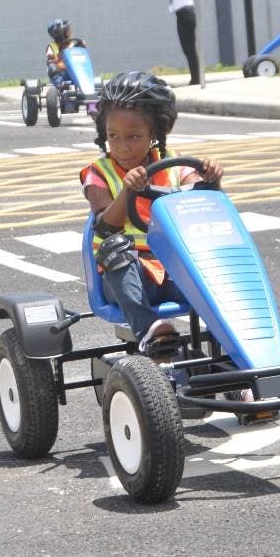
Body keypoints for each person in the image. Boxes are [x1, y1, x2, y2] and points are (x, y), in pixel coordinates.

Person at [80, 71, 223, 351]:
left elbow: (202, 205)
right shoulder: (97, 173)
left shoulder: (175, 167)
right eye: (113, 136)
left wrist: (211, 180)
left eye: (133, 136)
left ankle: (235, 364)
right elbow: (105, 225)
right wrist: (128, 190)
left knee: (212, 272)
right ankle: (149, 333)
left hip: (172, 272)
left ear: (154, 133)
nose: (122, 146)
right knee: (116, 251)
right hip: (126, 278)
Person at [147, 0, 201, 86]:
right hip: (181, 14)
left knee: (190, 47)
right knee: (186, 47)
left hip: (187, 13)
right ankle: (195, 76)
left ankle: (197, 78)